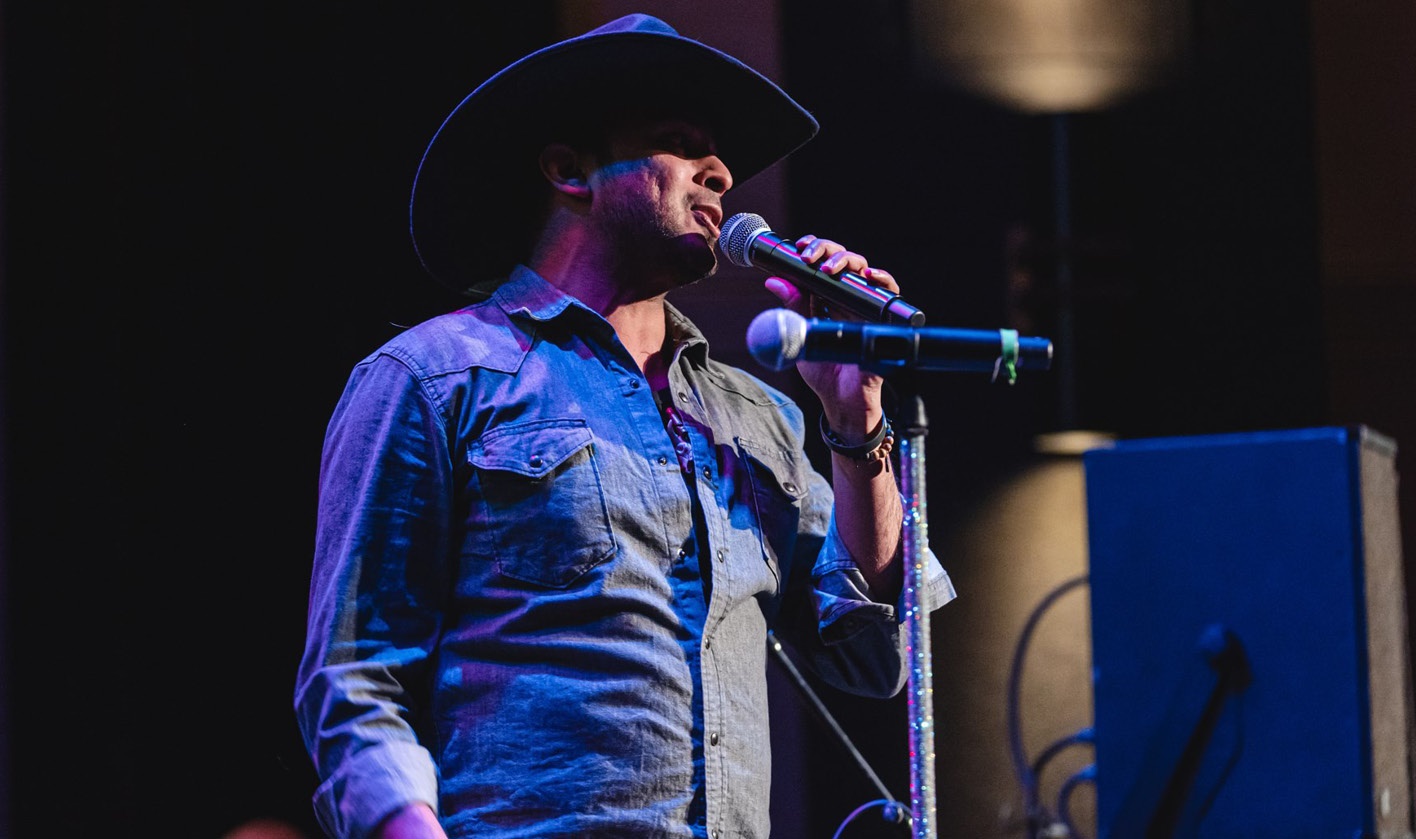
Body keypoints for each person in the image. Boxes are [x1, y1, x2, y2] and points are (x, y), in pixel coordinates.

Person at [294, 13, 955, 839]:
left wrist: (855, 424)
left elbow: (877, 658)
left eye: (719, 157)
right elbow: (357, 678)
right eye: (680, 143)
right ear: (571, 170)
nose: (719, 171)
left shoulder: (758, 419)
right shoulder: (433, 379)